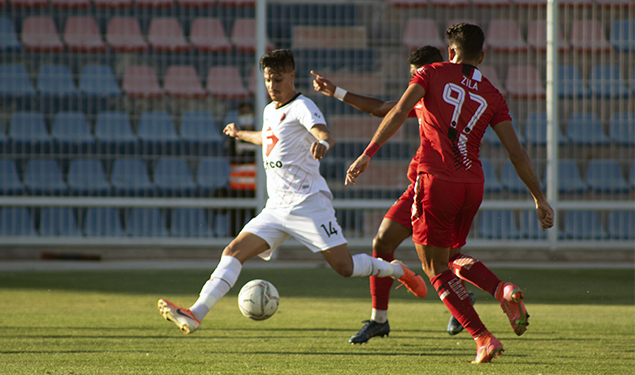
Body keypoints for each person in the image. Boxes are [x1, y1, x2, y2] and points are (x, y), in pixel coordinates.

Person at [157, 49, 428, 335]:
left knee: (345, 267)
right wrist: (240, 135)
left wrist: (323, 143)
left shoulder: (303, 106)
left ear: (291, 76)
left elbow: (324, 134)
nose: (272, 86)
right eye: (267, 80)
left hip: (309, 204)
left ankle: (396, 270)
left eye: (277, 79)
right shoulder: (269, 110)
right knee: (233, 251)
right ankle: (196, 313)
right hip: (276, 208)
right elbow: (269, 137)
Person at [346, 24, 554, 363]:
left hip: (435, 180)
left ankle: (483, 338)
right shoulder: (492, 94)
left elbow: (398, 111)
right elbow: (517, 152)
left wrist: (367, 153)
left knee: (435, 268)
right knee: (452, 258)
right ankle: (502, 290)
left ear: (451, 52)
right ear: (482, 56)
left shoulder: (431, 72)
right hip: (472, 184)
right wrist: (539, 198)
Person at [311, 46, 476, 344]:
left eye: (417, 75)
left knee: (444, 257)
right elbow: (381, 108)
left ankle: (463, 303)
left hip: (443, 185)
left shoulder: (448, 102)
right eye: (412, 76)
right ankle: (379, 320)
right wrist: (336, 92)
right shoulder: (425, 98)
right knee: (383, 241)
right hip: (420, 187)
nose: (413, 82)